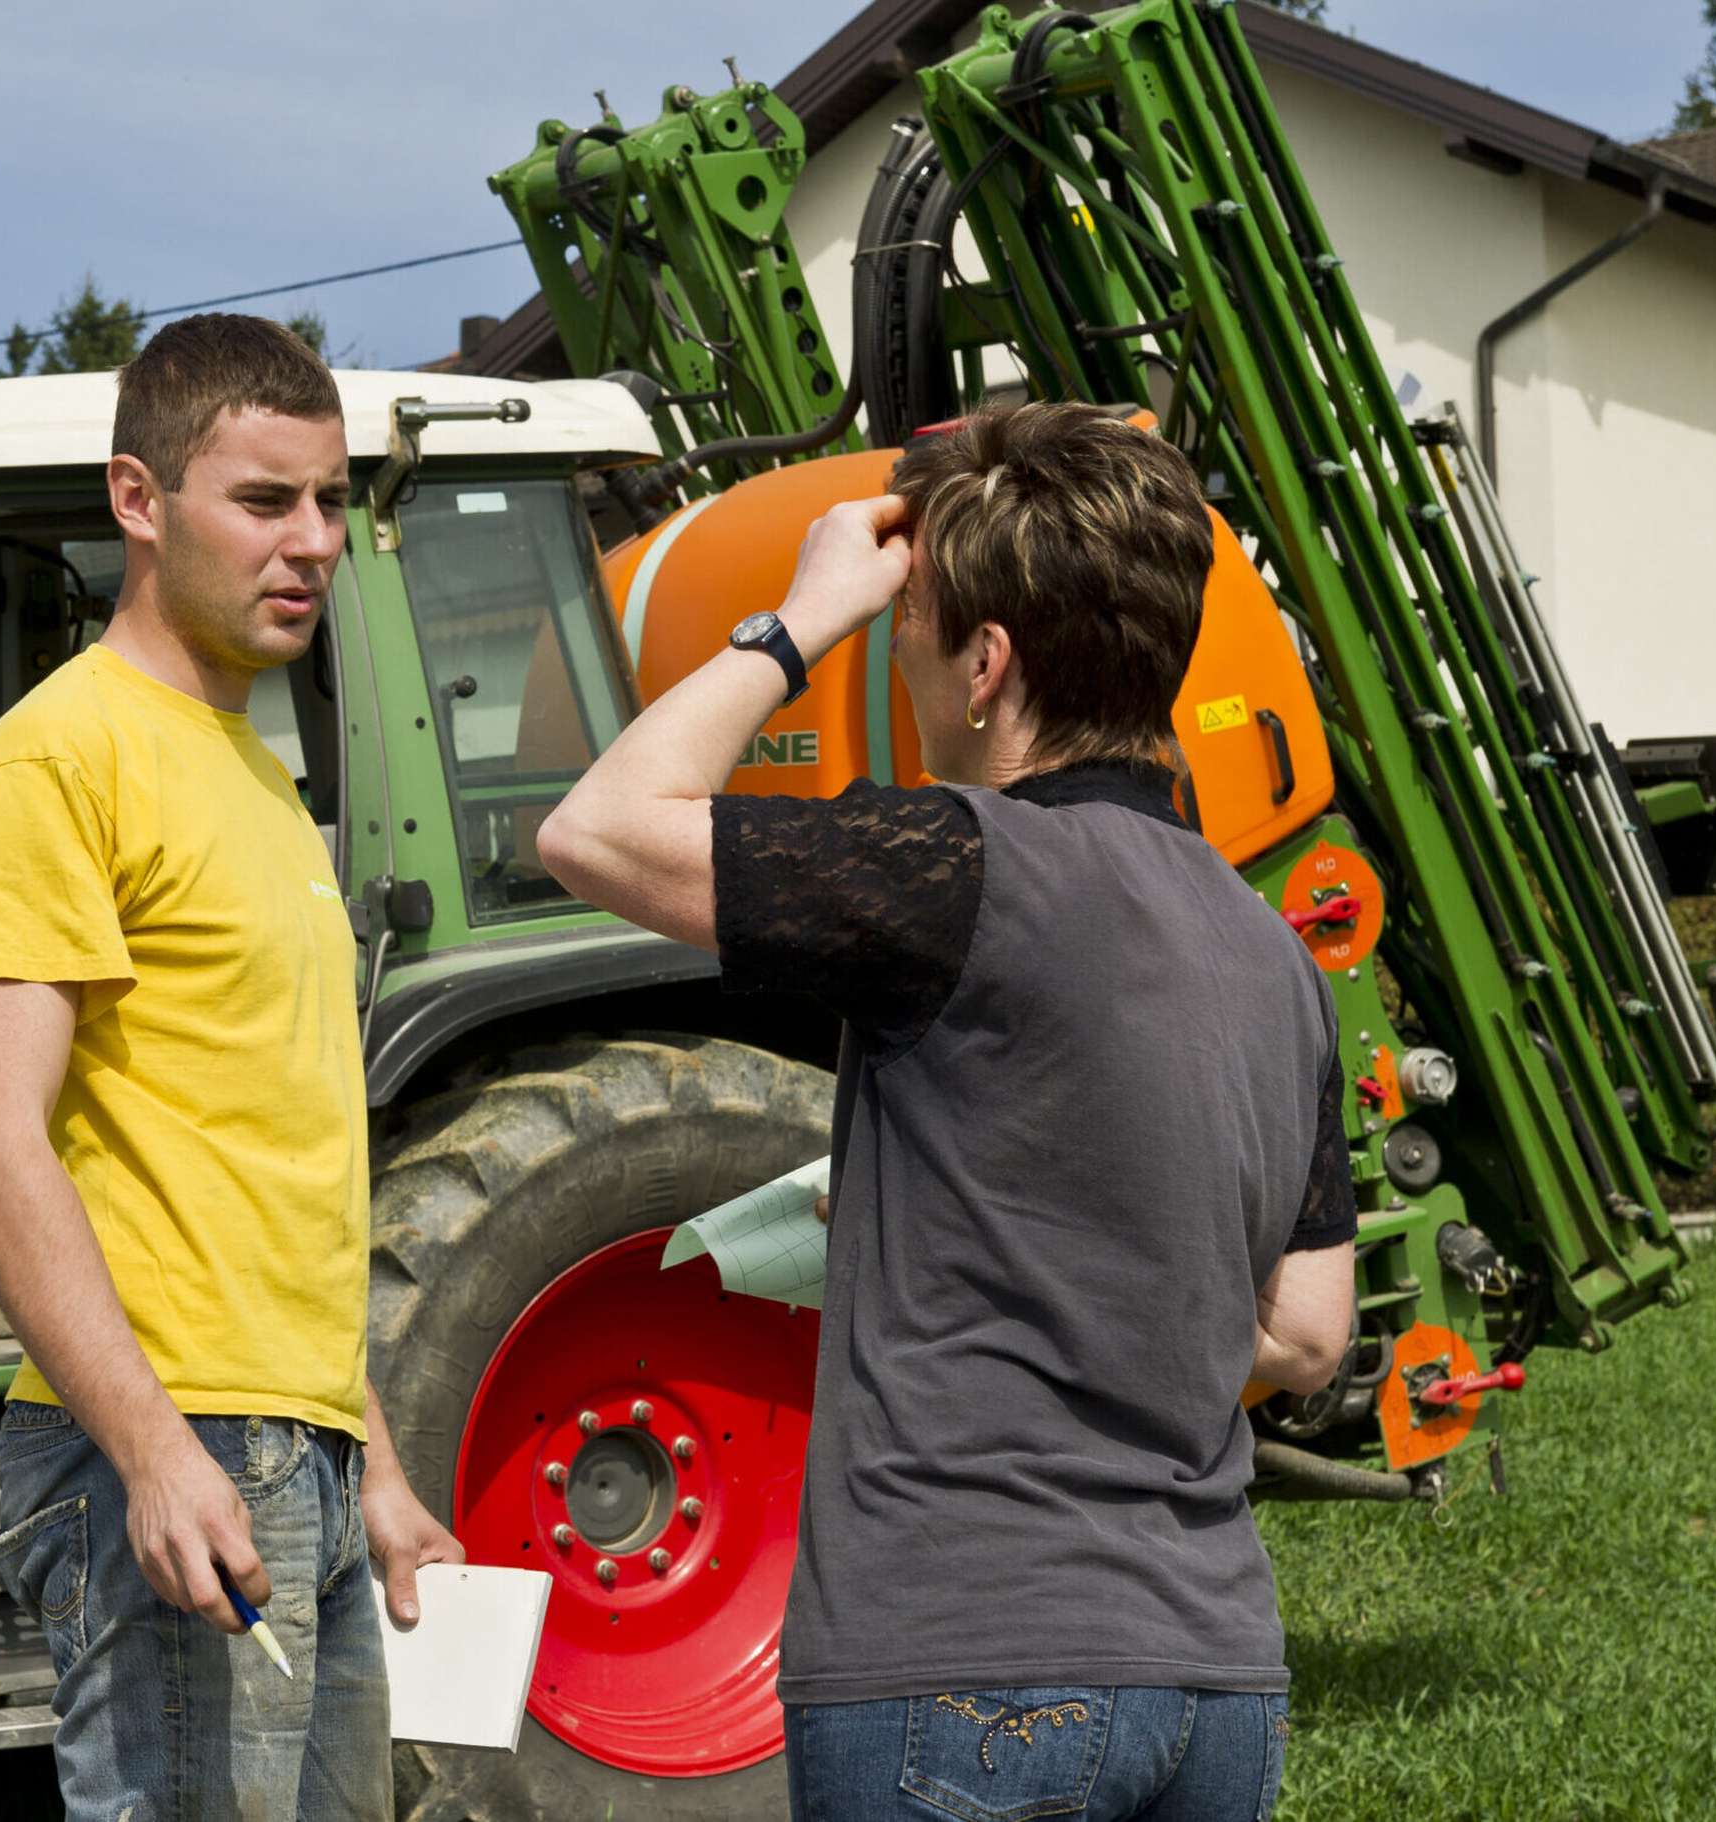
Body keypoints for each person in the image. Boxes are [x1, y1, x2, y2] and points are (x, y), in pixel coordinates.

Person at [536, 401, 1357, 1820]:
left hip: (961, 1660)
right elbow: (1307, 1336)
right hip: (1215, 1676)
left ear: (987, 664)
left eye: (908, 637)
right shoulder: (1271, 953)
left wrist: (798, 621)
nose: (900, 666)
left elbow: (596, 830)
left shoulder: (957, 864)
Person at [0, 313, 463, 1822]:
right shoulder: (59, 763)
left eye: (330, 501)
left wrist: (369, 1456)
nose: (312, 542)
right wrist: (157, 1454)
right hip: (165, 1440)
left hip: (294, 1441)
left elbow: (264, 1164)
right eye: (262, 500)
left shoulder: (256, 774)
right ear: (138, 500)